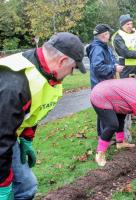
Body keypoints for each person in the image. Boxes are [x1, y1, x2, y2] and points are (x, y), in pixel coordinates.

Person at [0, 32, 86, 200]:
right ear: (62, 61)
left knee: (26, 187)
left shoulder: (44, 73)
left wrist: (26, 138)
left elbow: (33, 110)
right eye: (72, 69)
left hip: (7, 134)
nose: (70, 74)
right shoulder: (14, 85)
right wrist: (3, 185)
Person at [86, 24, 124, 89]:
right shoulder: (97, 49)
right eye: (108, 33)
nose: (109, 36)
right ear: (104, 35)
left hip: (106, 85)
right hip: (101, 87)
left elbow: (111, 60)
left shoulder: (104, 47)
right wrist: (114, 68)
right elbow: (97, 67)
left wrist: (115, 63)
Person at [112, 14, 136, 80]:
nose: (130, 26)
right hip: (126, 69)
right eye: (127, 24)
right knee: (127, 89)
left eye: (131, 24)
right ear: (122, 25)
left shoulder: (134, 33)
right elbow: (125, 53)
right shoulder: (118, 37)